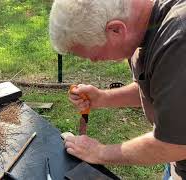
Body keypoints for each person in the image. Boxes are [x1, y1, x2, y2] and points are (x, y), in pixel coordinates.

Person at [49, 0, 186, 179]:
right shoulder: (141, 28)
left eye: (96, 56)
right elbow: (159, 88)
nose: (94, 61)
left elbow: (174, 145)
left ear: (116, 30)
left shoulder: (178, 42)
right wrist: (103, 98)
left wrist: (99, 152)